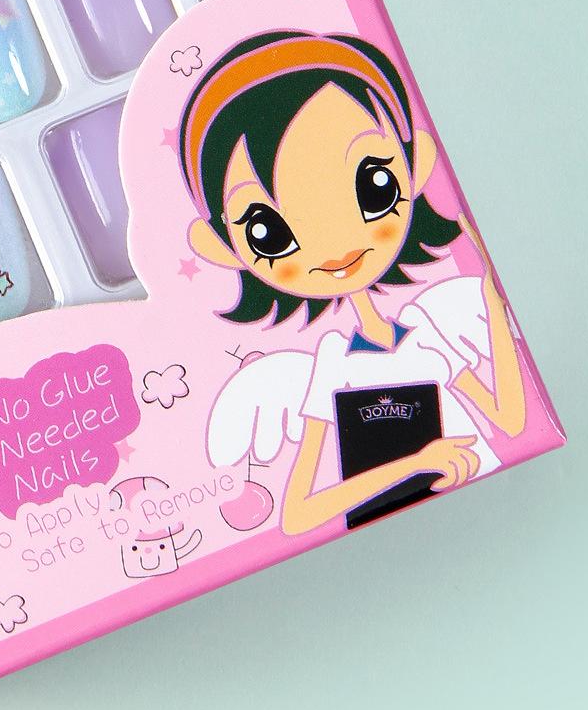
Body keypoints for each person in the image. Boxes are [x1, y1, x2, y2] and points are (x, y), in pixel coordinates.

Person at [181, 30, 527, 535]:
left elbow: (513, 423)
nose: (334, 245)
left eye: (375, 185)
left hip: (493, 497)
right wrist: (416, 464)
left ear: (414, 166)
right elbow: (298, 514)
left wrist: (491, 294)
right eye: (268, 232)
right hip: (394, 533)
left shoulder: (429, 329)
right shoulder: (334, 365)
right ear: (223, 247)